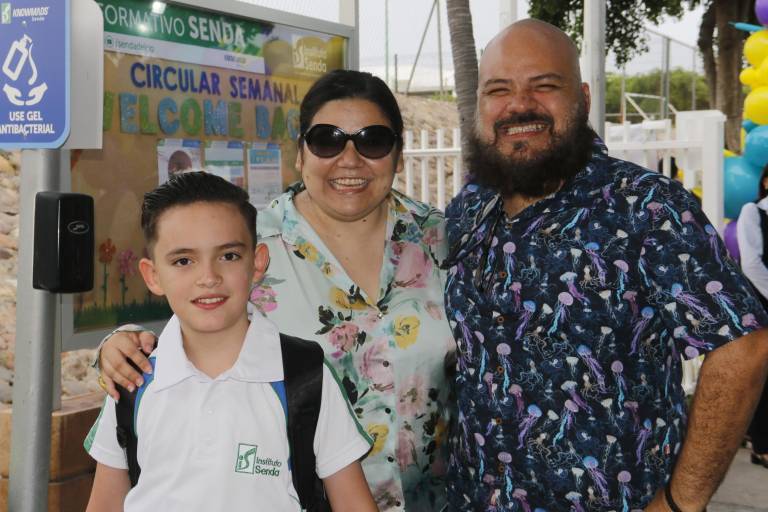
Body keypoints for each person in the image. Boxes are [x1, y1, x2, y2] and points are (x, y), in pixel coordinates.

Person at [442, 19, 768, 511]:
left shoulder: (645, 208)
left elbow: (742, 348)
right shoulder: (469, 210)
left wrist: (682, 502)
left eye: (544, 85)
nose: (519, 105)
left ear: (584, 98)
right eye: (499, 89)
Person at [95, 70, 455, 511]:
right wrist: (120, 343)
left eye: (373, 140)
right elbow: (191, 314)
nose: (350, 158)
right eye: (327, 139)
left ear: (397, 154)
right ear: (300, 152)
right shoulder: (244, 244)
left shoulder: (444, 242)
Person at [84, 172, 376, 511]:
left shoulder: (303, 375)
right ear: (153, 276)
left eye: (229, 256)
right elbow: (104, 503)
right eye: (183, 261)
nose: (208, 278)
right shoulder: (135, 378)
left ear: (257, 263)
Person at [736, 166, 768, 469]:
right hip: (763, 300)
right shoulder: (753, 212)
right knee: (764, 374)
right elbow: (752, 262)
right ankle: (762, 445)